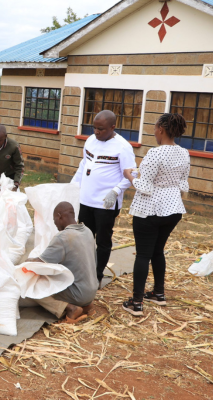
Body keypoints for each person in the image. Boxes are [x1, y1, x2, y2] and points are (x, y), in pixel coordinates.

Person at [121, 114, 190, 316]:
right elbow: (183, 182)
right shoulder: (184, 153)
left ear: (161, 129)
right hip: (173, 209)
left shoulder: (155, 153)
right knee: (157, 251)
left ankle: (136, 303)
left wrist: (129, 176)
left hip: (151, 209)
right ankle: (158, 293)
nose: (153, 131)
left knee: (143, 254)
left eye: (154, 128)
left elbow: (145, 186)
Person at [71, 110, 136, 286]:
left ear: (112, 127)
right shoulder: (91, 140)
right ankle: (83, 272)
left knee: (103, 241)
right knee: (84, 238)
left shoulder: (122, 147)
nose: (96, 132)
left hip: (105, 203)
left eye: (101, 129)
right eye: (94, 128)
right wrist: (73, 185)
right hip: (86, 200)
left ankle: (97, 276)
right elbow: (84, 164)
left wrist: (115, 191)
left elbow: (131, 174)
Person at [26, 202, 98, 323]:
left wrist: (24, 263)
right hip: (92, 291)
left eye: (55, 221)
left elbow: (39, 264)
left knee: (34, 285)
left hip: (78, 294)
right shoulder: (88, 231)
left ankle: (70, 308)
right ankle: (87, 306)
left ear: (59, 216)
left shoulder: (63, 237)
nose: (56, 225)